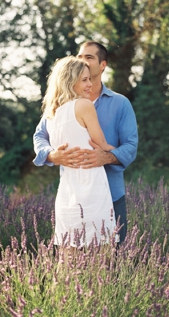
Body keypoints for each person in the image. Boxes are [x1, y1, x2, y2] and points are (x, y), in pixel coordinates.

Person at [33, 41, 138, 246]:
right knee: (73, 259)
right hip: (73, 194)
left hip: (110, 194)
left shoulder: (120, 103)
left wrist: (106, 157)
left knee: (113, 259)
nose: (83, 61)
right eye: (80, 57)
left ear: (103, 65)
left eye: (89, 57)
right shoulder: (59, 105)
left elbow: (131, 146)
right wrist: (53, 155)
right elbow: (39, 136)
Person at [38, 56, 117, 246]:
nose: (90, 84)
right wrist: (117, 151)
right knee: (101, 259)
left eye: (90, 78)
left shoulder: (51, 114)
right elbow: (102, 144)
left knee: (67, 261)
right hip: (92, 189)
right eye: (84, 80)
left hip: (67, 193)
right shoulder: (84, 105)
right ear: (69, 81)